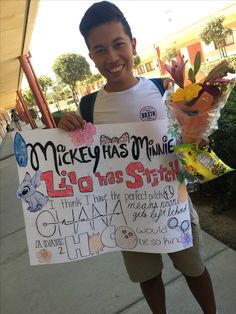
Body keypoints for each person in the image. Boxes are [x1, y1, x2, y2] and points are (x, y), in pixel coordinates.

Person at [58, 2, 217, 313]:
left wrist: (197, 138)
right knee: (148, 277)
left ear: (132, 44)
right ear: (91, 56)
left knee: (194, 268)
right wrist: (66, 127)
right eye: (100, 50)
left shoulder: (165, 90)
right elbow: (83, 160)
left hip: (172, 204)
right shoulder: (89, 106)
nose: (112, 57)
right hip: (126, 213)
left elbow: (190, 145)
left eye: (118, 45)